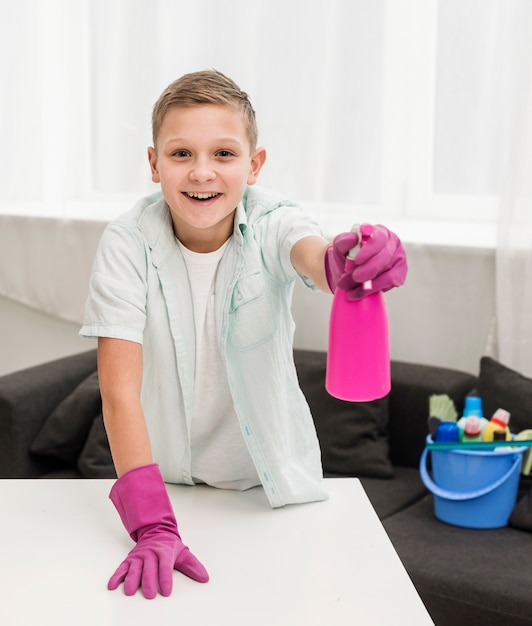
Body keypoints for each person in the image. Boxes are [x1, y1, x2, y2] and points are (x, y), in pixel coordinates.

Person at [80, 69, 407, 600]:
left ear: (254, 165)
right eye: (181, 153)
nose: (202, 172)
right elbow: (119, 394)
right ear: (153, 163)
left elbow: (313, 255)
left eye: (224, 154)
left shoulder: (273, 220)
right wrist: (151, 524)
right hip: (164, 491)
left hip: (263, 491)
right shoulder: (126, 242)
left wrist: (347, 263)